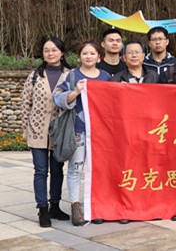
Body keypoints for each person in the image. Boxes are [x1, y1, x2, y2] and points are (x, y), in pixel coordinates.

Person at [53, 42, 111, 226]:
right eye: (85, 53)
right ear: (79, 57)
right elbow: (58, 98)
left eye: (92, 53)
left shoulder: (106, 77)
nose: (88, 56)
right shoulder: (71, 75)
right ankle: (75, 206)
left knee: (98, 169)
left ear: (99, 57)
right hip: (77, 130)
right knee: (75, 168)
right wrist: (76, 91)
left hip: (100, 133)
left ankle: (95, 206)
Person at [21, 37, 71, 227]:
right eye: (46, 50)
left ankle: (55, 206)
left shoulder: (70, 75)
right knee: (40, 171)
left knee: (57, 170)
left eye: (54, 50)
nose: (50, 53)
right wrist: (25, 128)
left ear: (62, 52)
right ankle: (42, 208)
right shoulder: (34, 76)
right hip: (37, 130)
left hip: (60, 131)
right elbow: (25, 104)